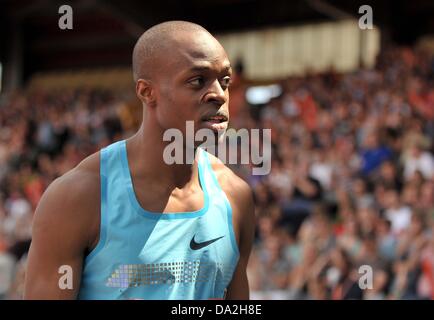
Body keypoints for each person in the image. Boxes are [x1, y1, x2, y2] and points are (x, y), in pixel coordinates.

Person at [23, 21, 255, 300]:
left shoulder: (235, 196)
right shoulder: (78, 197)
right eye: (197, 80)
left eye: (225, 81)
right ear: (147, 92)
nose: (219, 94)